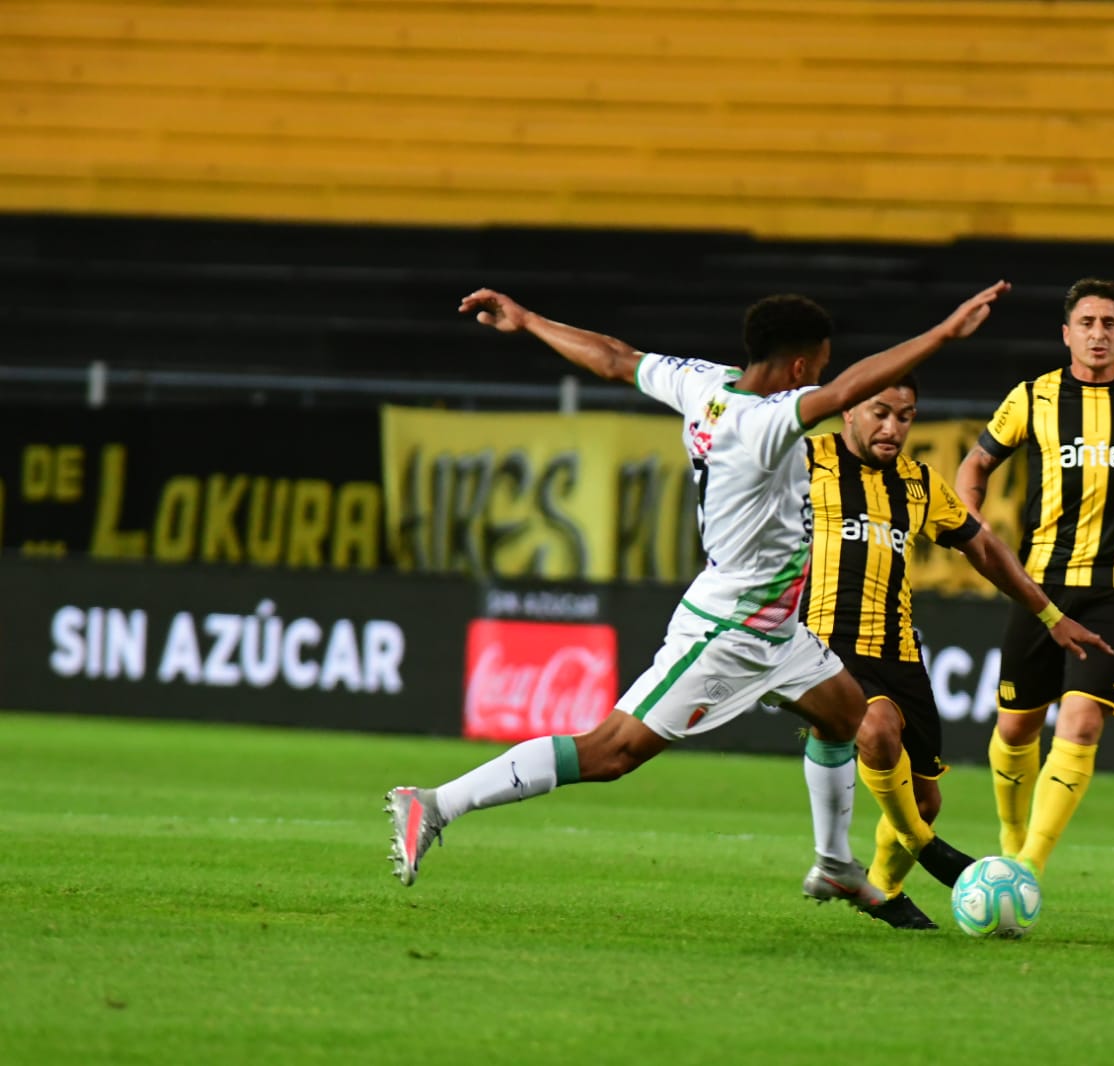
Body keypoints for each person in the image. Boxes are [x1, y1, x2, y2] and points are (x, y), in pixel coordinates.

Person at [385, 279, 1011, 916]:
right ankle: (435, 804)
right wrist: (941, 335)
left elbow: (613, 357)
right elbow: (848, 391)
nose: (823, 376)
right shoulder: (763, 422)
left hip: (780, 628)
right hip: (728, 627)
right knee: (611, 752)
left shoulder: (707, 384)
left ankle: (835, 865)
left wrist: (528, 319)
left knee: (844, 715)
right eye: (819, 365)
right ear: (800, 365)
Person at [802, 374, 1112, 928]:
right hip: (823, 649)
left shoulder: (918, 484)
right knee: (874, 732)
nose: (893, 427)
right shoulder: (804, 461)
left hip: (899, 653)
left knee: (923, 799)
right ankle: (929, 851)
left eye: (906, 415)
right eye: (880, 412)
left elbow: (986, 550)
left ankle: (887, 889)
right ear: (846, 409)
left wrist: (1050, 614)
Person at [955, 277, 1114, 879]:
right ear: (1067, 334)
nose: (1098, 334)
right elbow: (976, 463)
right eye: (1087, 323)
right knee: (1016, 725)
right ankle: (1013, 837)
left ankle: (1027, 869)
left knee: (1084, 719)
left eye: (1109, 324)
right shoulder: (1032, 399)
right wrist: (971, 521)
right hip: (1039, 584)